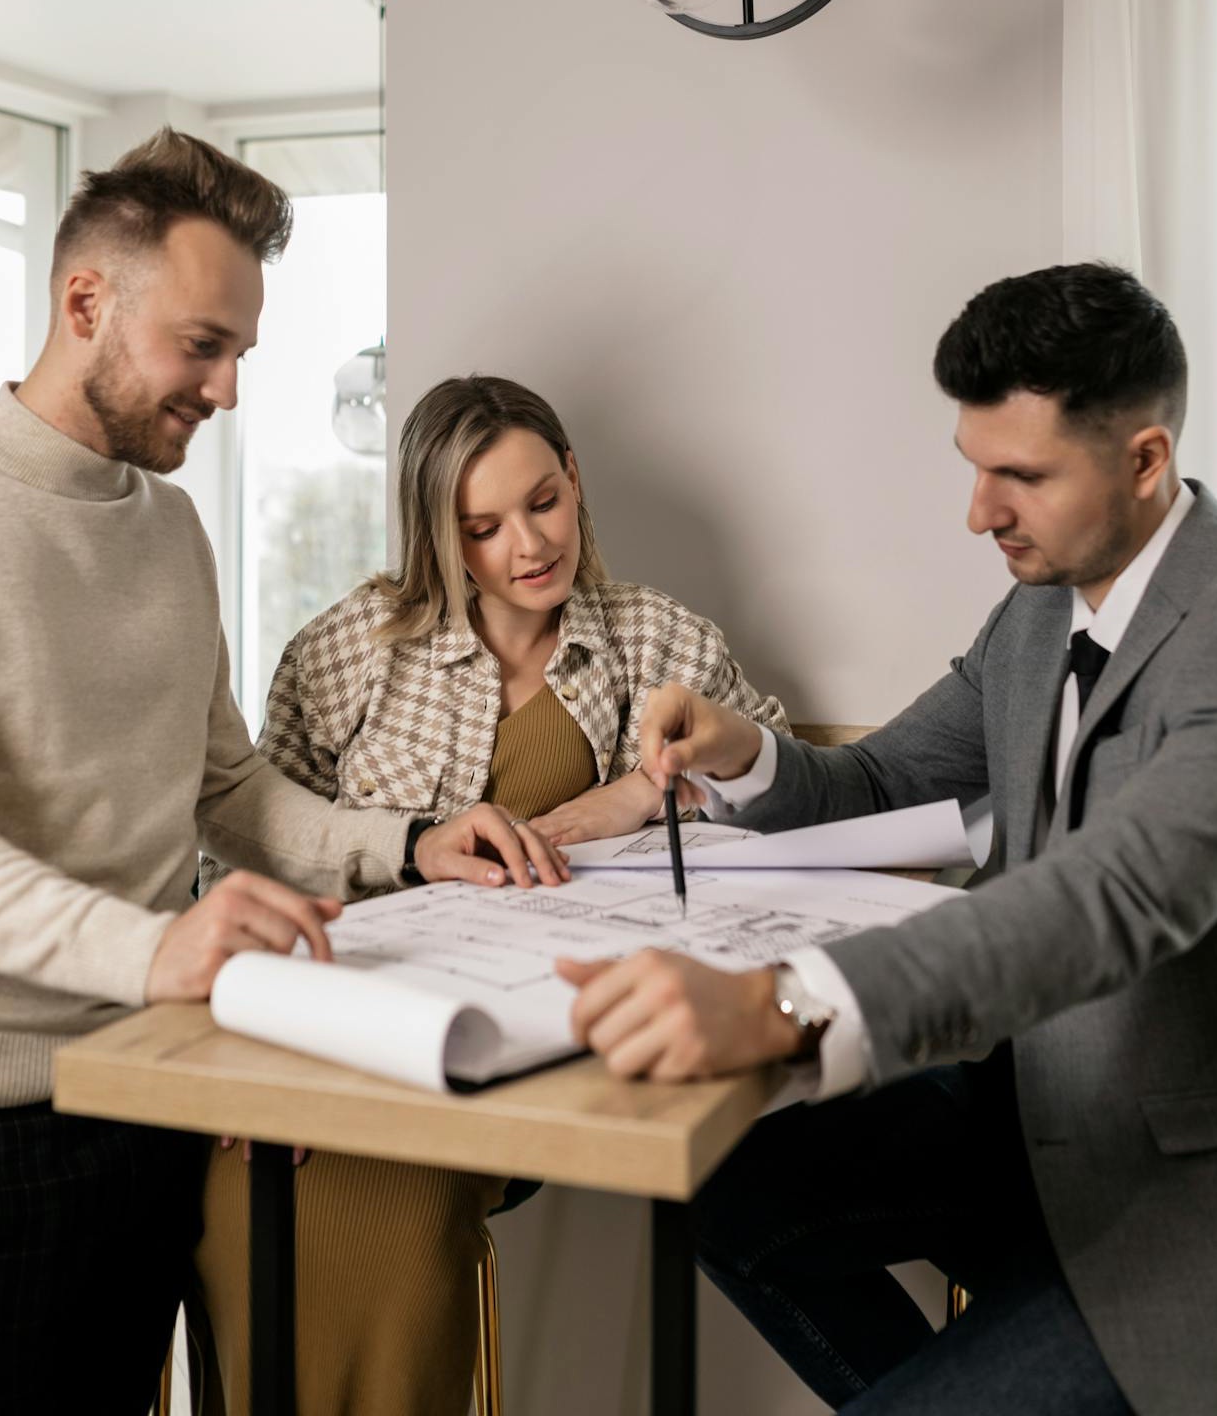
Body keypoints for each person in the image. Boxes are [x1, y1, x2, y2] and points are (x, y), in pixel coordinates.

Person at [559, 263, 1217, 1414]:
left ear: (1143, 460)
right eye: (972, 468)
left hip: (1178, 1205)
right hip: (1021, 1129)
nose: (977, 512)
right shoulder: (1036, 613)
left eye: (1017, 476)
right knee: (711, 1187)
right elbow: (883, 776)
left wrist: (783, 1004)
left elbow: (1110, 894)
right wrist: (746, 751)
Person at [0, 132, 560, 1416]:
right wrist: (159, 955)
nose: (230, 390)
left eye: (241, 351)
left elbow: (226, 790)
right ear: (85, 303)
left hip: (159, 1068)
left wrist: (410, 842)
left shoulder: (169, 526)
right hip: (6, 1115)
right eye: (203, 345)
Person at [190, 372, 790, 1415]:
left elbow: (784, 802)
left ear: (574, 478)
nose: (527, 546)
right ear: (437, 535)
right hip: (333, 1028)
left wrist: (629, 798)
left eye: (542, 502)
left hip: (513, 1056)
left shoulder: (657, 643)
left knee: (407, 1212)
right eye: (481, 526)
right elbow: (241, 855)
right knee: (250, 1200)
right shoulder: (347, 651)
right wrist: (263, 1037)